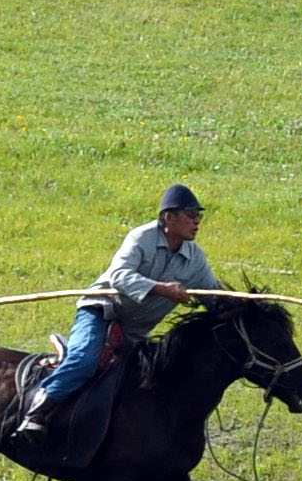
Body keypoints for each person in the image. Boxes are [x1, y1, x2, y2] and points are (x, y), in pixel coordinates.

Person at [19, 185, 225, 466]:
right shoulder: (141, 238)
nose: (197, 221)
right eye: (190, 215)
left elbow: (213, 295)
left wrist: (248, 307)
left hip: (134, 332)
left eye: (198, 216)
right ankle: (37, 413)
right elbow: (118, 275)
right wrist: (161, 289)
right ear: (168, 217)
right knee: (84, 361)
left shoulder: (195, 258)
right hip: (101, 312)